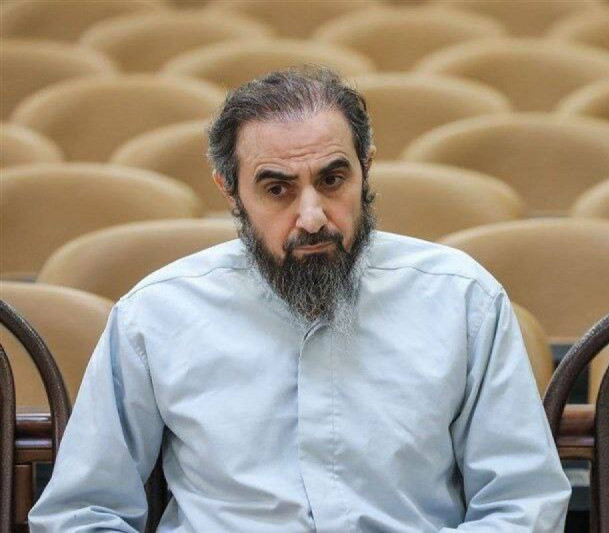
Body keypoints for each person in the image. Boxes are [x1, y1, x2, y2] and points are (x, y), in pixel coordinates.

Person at [28, 67, 571, 532]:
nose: (312, 217)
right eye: (277, 189)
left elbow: (523, 503)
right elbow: (82, 511)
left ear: (366, 169)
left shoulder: (462, 299)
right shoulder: (156, 315)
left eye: (332, 180)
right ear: (229, 191)